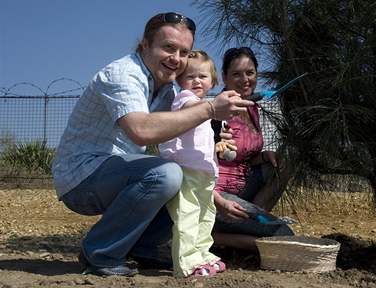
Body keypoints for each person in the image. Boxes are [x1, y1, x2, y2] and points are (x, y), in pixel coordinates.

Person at [51, 12, 252, 277]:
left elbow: (185, 143)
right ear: (145, 44)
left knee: (181, 176)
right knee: (166, 174)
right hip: (81, 177)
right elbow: (141, 130)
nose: (176, 59)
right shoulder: (123, 74)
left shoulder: (168, 91)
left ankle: (143, 247)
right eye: (168, 47)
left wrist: (214, 194)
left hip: (118, 174)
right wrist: (211, 108)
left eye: (184, 52)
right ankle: (99, 252)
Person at [211, 47, 294, 252]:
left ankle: (256, 215)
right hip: (218, 196)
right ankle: (212, 236)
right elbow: (197, 166)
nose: (245, 79)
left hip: (243, 186)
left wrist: (263, 156)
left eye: (250, 73)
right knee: (283, 235)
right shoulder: (215, 112)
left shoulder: (251, 107)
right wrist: (217, 199)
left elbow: (242, 157)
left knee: (289, 158)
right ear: (224, 77)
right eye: (236, 74)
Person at [159, 50, 225, 277]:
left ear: (213, 81)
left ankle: (202, 253)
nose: (196, 81)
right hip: (186, 170)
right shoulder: (185, 99)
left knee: (206, 216)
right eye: (190, 76)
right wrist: (213, 107)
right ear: (180, 80)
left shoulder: (204, 105)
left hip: (205, 173)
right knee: (187, 216)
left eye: (203, 76)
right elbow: (189, 110)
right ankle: (186, 264)